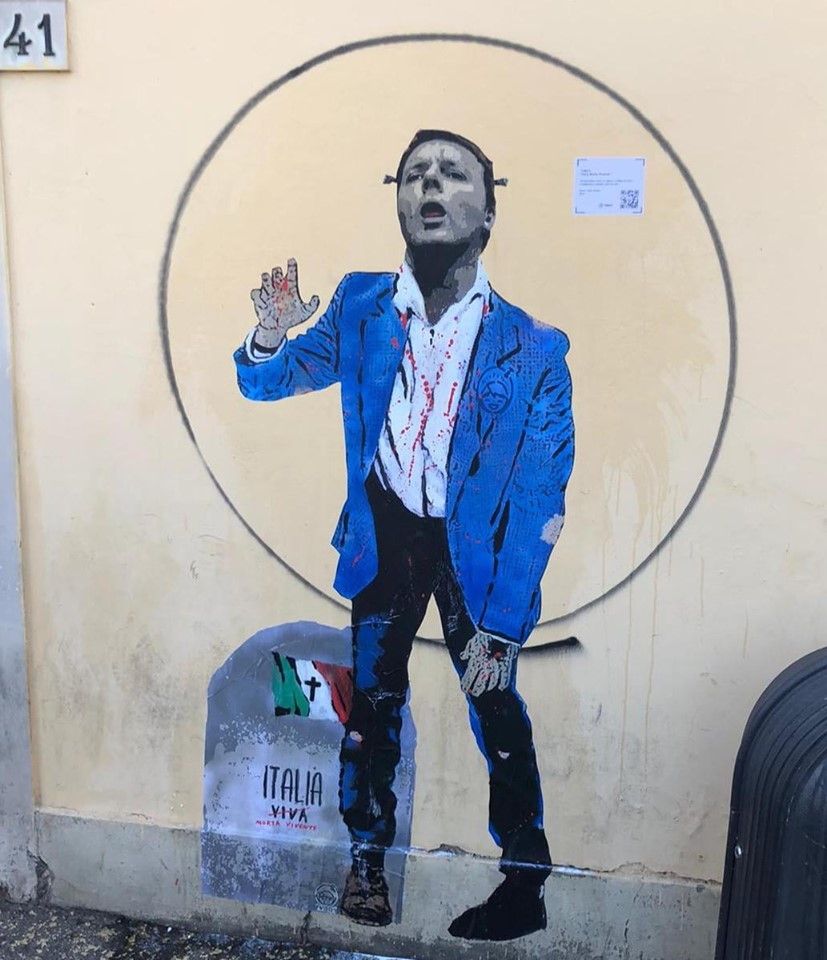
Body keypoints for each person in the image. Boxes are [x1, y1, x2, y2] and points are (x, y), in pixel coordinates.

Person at [234, 129, 575, 941]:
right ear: (396, 199)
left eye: (452, 174)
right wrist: (272, 335)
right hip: (385, 536)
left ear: (487, 212)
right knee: (372, 706)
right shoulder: (360, 306)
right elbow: (268, 382)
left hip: (477, 555)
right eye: (414, 174)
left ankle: (522, 883)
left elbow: (539, 494)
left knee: (495, 706)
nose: (429, 186)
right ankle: (367, 863)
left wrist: (504, 623)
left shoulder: (532, 348)